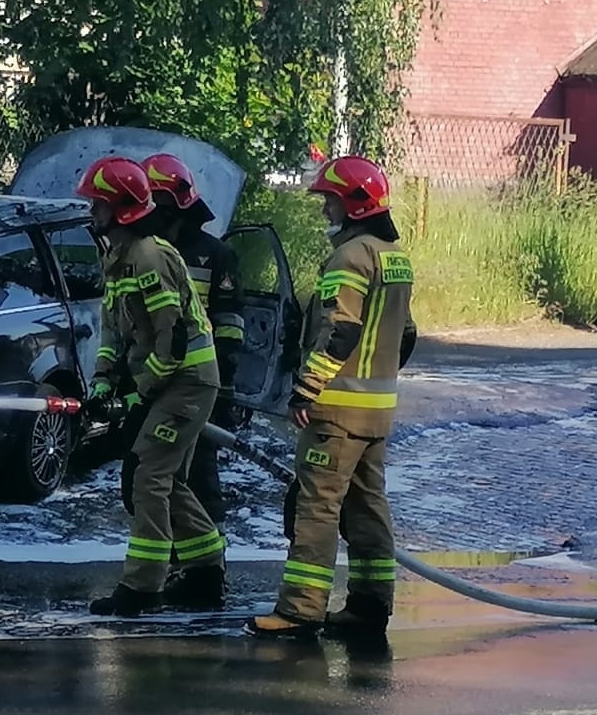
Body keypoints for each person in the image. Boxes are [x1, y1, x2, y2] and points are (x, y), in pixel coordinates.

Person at [243, 155, 417, 640]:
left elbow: (339, 331)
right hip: (377, 413)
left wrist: (307, 389)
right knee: (368, 508)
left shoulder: (350, 256)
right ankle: (369, 606)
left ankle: (300, 610)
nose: (326, 212)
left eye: (330, 201)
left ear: (354, 205)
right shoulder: (395, 257)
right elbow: (406, 335)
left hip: (338, 411)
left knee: (317, 508)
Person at [77, 156, 226, 616]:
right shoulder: (117, 258)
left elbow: (172, 337)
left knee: (148, 475)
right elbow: (112, 332)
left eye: (98, 205)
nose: (91, 213)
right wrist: (103, 382)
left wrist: (138, 395)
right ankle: (205, 573)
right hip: (168, 380)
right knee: (165, 477)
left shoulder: (149, 256)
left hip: (186, 381)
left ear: (121, 208)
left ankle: (141, 588)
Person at [135, 153, 246, 530]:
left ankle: (207, 559)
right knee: (152, 475)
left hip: (199, 382)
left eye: (162, 204)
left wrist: (226, 387)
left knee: (199, 474)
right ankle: (171, 556)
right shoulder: (142, 252)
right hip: (153, 380)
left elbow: (229, 326)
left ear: (182, 205)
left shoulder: (215, 255)